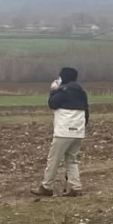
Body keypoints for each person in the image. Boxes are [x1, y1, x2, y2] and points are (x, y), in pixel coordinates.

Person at [32, 66, 88, 197]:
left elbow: (52, 104)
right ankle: (76, 188)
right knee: (72, 160)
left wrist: (53, 90)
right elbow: (87, 113)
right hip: (78, 132)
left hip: (63, 132)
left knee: (54, 160)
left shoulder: (63, 91)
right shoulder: (82, 92)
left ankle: (46, 187)